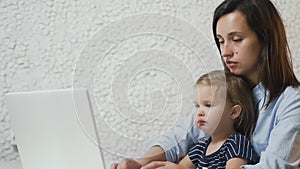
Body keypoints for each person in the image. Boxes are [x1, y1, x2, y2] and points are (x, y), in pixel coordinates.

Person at [111, 0, 300, 168]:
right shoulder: (223, 91)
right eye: (220, 41)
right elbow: (181, 137)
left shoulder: (292, 102)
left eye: (236, 40)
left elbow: (275, 165)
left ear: (265, 39)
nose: (225, 51)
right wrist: (139, 163)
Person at [146, 70, 260, 169]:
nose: (200, 112)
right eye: (197, 106)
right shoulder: (202, 145)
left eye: (208, 105)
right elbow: (181, 167)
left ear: (234, 112)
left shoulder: (236, 143)